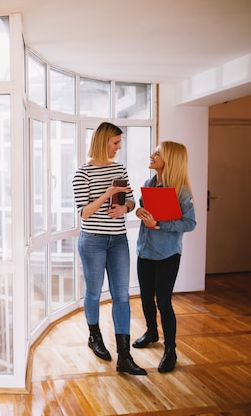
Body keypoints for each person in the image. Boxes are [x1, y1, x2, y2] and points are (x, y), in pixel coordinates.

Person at [72, 121, 147, 376]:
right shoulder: (82, 173)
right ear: (103, 142)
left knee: (122, 295)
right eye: (115, 142)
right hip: (92, 239)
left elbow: (130, 200)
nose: (118, 147)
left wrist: (123, 207)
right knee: (94, 293)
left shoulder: (119, 168)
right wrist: (108, 193)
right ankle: (95, 337)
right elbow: (84, 213)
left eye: (120, 143)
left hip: (118, 240)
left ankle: (124, 356)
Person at [133, 141, 196, 373]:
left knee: (164, 302)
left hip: (167, 255)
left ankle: (171, 350)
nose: (151, 155)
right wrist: (141, 212)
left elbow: (190, 223)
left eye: (157, 153)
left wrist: (158, 224)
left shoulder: (182, 192)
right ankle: (151, 332)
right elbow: (146, 213)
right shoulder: (149, 183)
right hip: (145, 251)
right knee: (146, 298)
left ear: (169, 160)